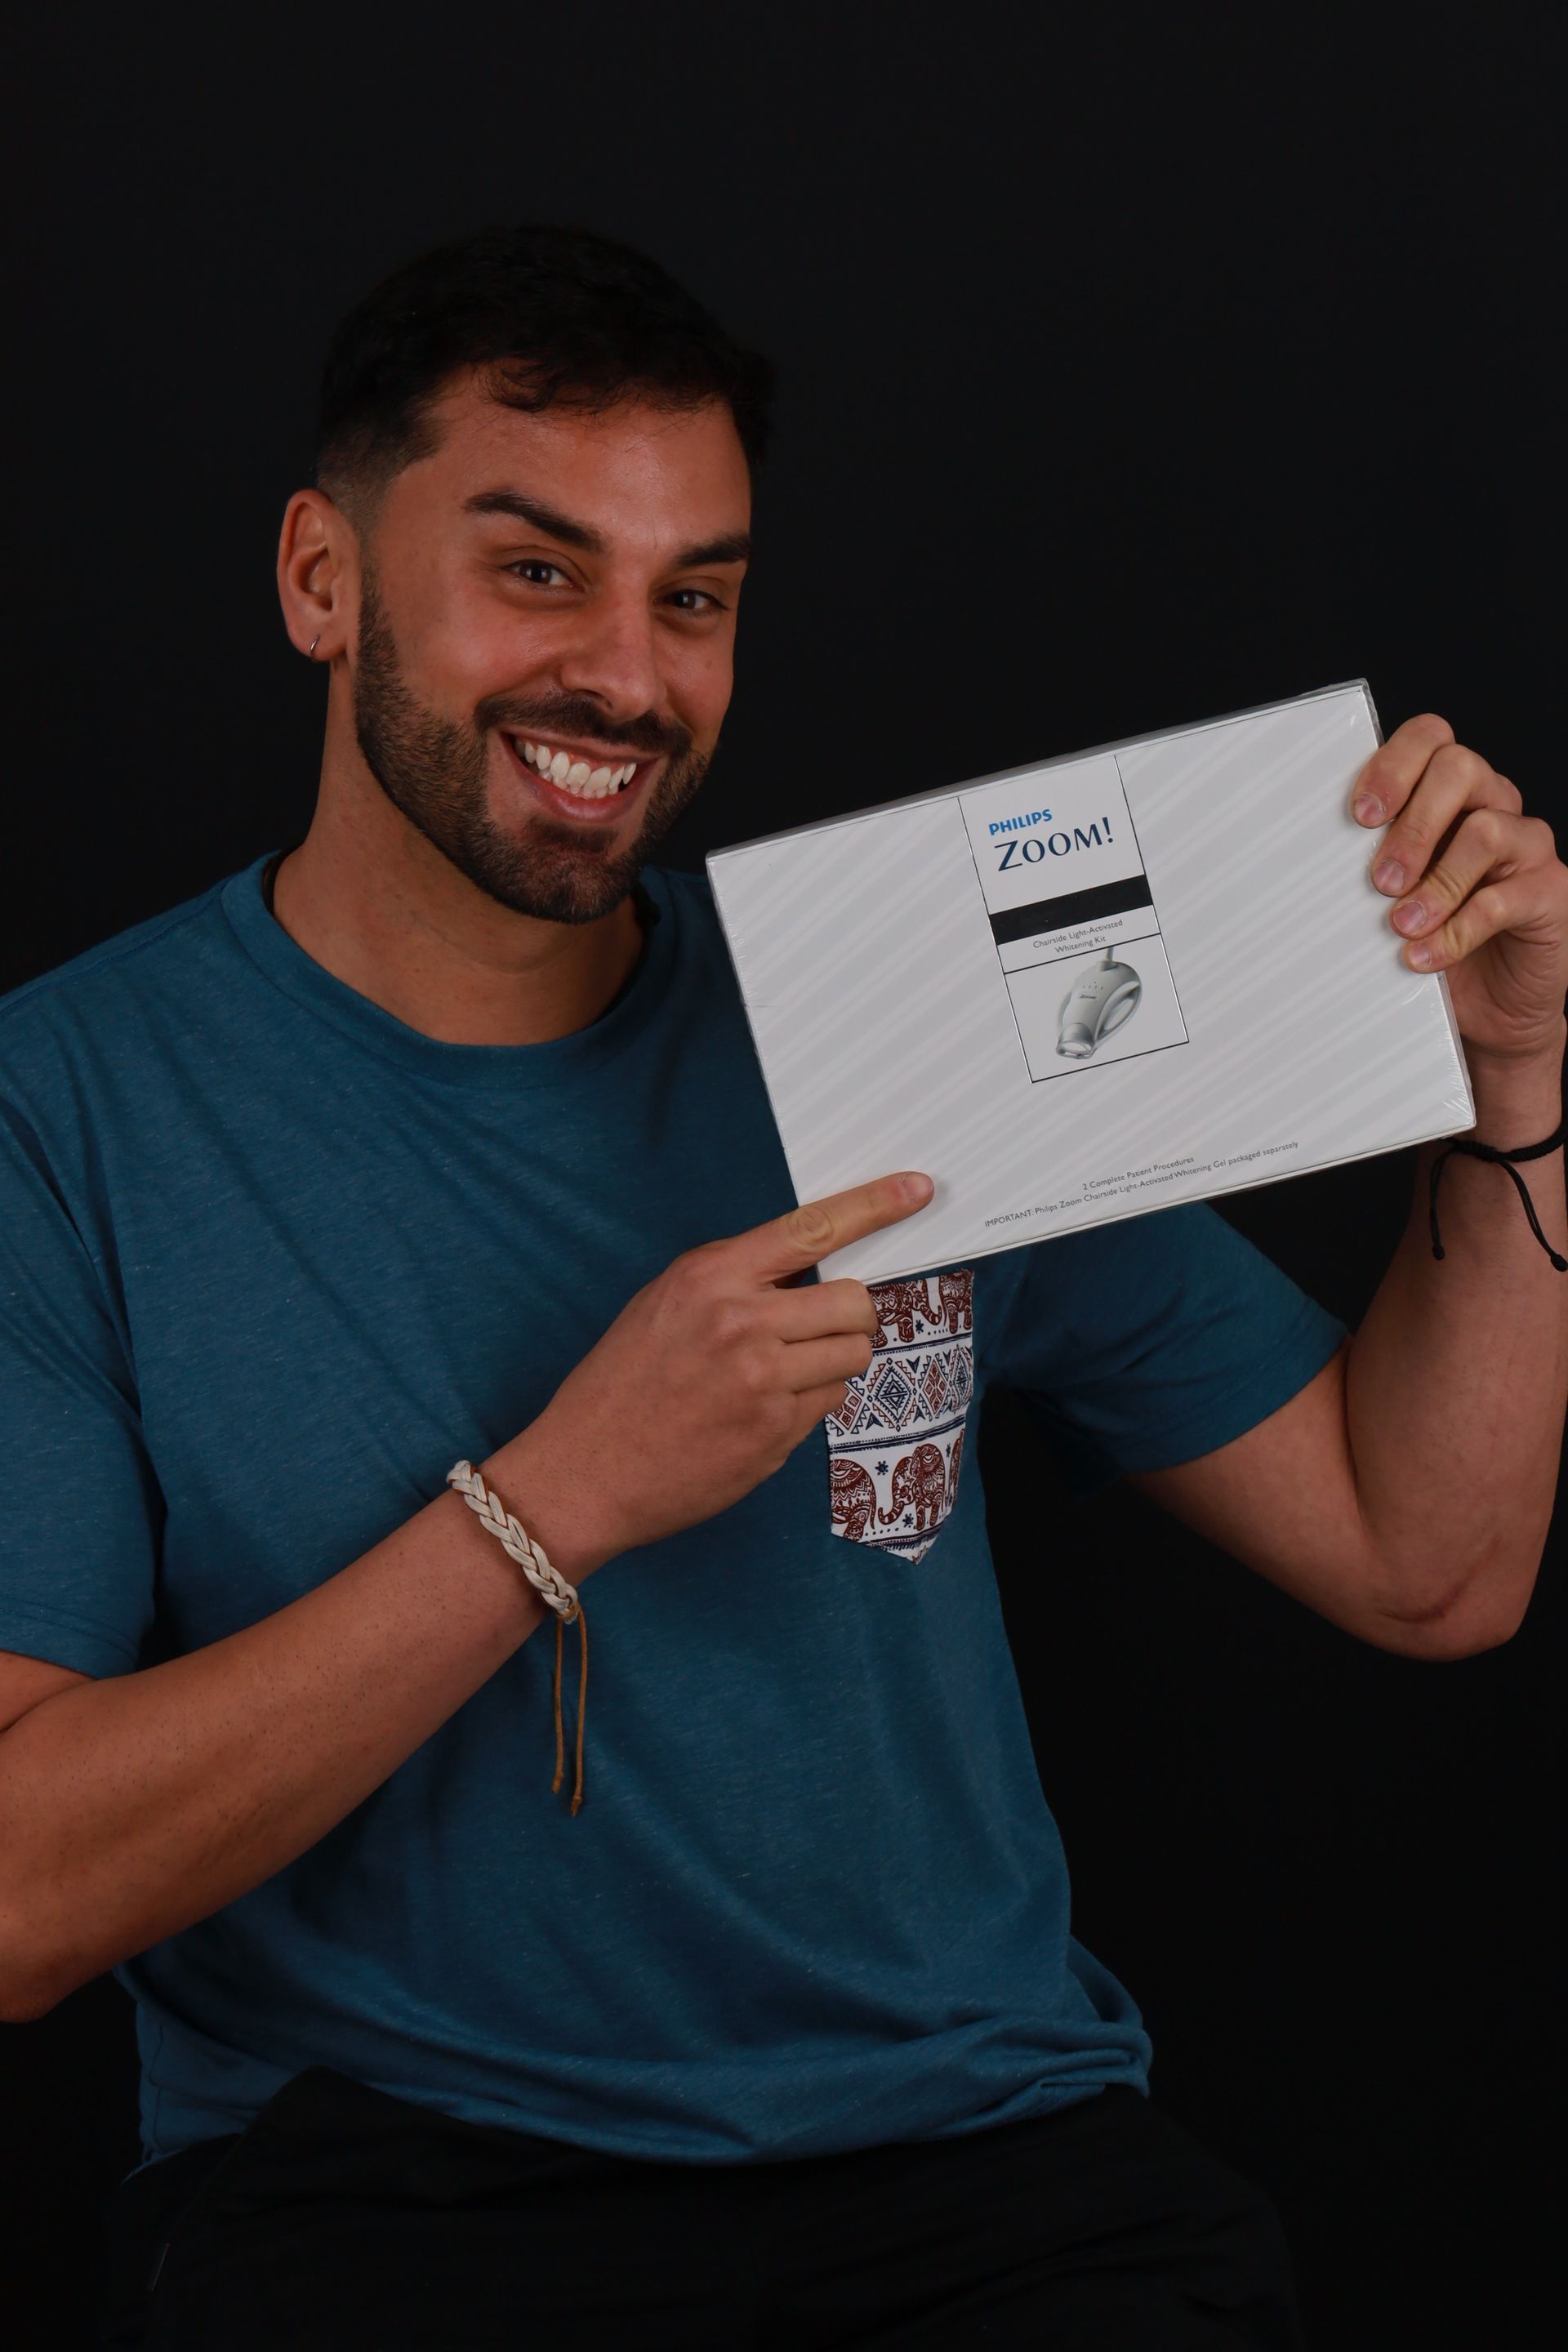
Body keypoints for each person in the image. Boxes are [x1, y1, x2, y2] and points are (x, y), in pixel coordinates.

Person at [0, 225, 1561, 2352]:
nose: (626, 679)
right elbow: (24, 1895)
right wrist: (562, 1494)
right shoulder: (61, 1112)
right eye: (536, 569)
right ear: (321, 577)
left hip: (986, 2178)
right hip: (404, 2199)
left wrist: (1514, 1089)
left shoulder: (906, 1020)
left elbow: (1427, 1559)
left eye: (695, 596)